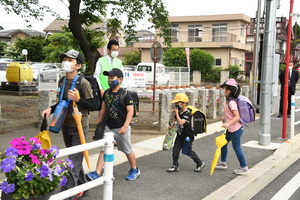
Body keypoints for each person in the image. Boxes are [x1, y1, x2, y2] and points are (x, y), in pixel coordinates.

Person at [42, 49, 95, 199]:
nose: (66, 62)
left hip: (79, 126)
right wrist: (50, 109)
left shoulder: (83, 83)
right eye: (65, 59)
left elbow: (93, 105)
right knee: (75, 159)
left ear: (78, 65)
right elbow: (62, 102)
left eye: (70, 60)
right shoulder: (62, 81)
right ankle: (83, 187)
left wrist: (79, 100)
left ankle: (66, 195)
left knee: (71, 162)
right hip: (65, 123)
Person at [87, 68, 140, 181]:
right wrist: (99, 124)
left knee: (127, 149)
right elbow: (103, 109)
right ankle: (97, 172)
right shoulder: (106, 93)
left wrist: (125, 126)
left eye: (112, 78)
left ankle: (134, 169)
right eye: (109, 78)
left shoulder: (126, 94)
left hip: (121, 127)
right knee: (104, 149)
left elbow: (130, 112)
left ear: (120, 79)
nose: (110, 80)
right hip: (108, 126)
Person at [216, 78, 250, 175]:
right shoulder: (228, 101)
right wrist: (224, 117)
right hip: (230, 129)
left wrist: (228, 123)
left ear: (228, 91)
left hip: (235, 129)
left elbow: (237, 116)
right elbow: (229, 113)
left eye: (223, 89)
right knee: (223, 144)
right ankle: (223, 162)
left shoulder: (232, 102)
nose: (222, 90)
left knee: (237, 148)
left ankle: (244, 167)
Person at [167, 93, 205, 173]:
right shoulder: (179, 112)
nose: (176, 105)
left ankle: (200, 163)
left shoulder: (187, 114)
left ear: (184, 103)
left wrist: (176, 113)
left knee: (188, 151)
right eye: (175, 103)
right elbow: (175, 120)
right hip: (180, 135)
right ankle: (175, 166)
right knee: (175, 151)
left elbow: (181, 122)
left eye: (178, 103)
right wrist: (171, 125)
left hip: (188, 136)